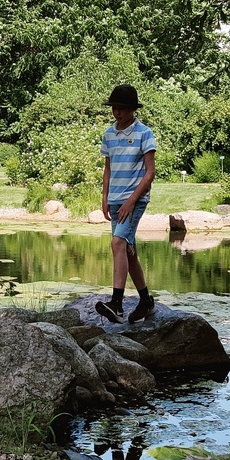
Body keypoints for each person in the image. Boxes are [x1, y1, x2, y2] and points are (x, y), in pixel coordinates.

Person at [95, 84, 156, 324]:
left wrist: (132, 200)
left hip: (135, 199)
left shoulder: (144, 133)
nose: (117, 112)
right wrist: (104, 197)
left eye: (121, 108)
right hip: (115, 201)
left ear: (132, 109)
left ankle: (117, 304)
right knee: (128, 252)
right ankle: (145, 301)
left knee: (117, 242)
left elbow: (150, 172)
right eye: (114, 108)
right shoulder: (109, 134)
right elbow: (108, 169)